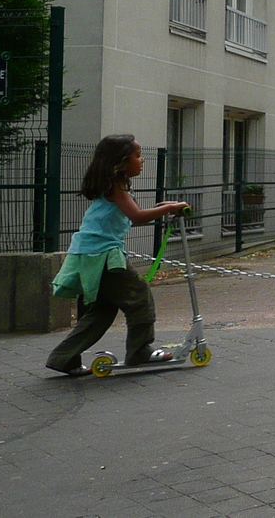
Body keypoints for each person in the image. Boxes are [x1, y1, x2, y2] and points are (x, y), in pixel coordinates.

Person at [46, 134, 189, 377]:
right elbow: (137, 218)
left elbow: (128, 217)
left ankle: (63, 358)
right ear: (121, 162)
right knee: (139, 297)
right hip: (102, 255)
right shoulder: (116, 187)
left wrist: (161, 208)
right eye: (137, 155)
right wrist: (168, 208)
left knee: (102, 310)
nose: (141, 160)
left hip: (91, 253)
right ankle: (139, 351)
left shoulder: (113, 187)